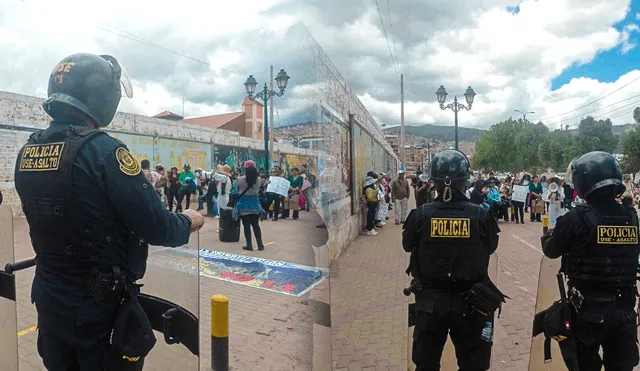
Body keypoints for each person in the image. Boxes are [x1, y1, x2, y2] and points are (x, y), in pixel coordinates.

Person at [12, 53, 204, 371]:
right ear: (101, 96)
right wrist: (189, 219)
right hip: (98, 311)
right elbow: (157, 226)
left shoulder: (27, 152)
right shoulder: (105, 152)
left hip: (50, 300)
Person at [403, 149, 502, 371]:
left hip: (430, 302)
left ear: (434, 181)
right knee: (472, 365)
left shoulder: (420, 214)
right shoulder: (481, 215)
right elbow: (491, 247)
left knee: (426, 364)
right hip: (470, 303)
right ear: (466, 180)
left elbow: (407, 245)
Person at [541, 151, 639, 371]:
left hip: (587, 311)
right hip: (624, 309)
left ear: (582, 181)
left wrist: (550, 233)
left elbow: (551, 250)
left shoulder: (575, 218)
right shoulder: (631, 217)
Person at [232, 161, 266, 251]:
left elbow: (236, 191)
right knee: (256, 225)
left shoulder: (239, 179)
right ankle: (260, 245)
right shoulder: (258, 179)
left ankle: (249, 245)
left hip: (243, 205)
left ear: (245, 169)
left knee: (246, 226)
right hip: (255, 204)